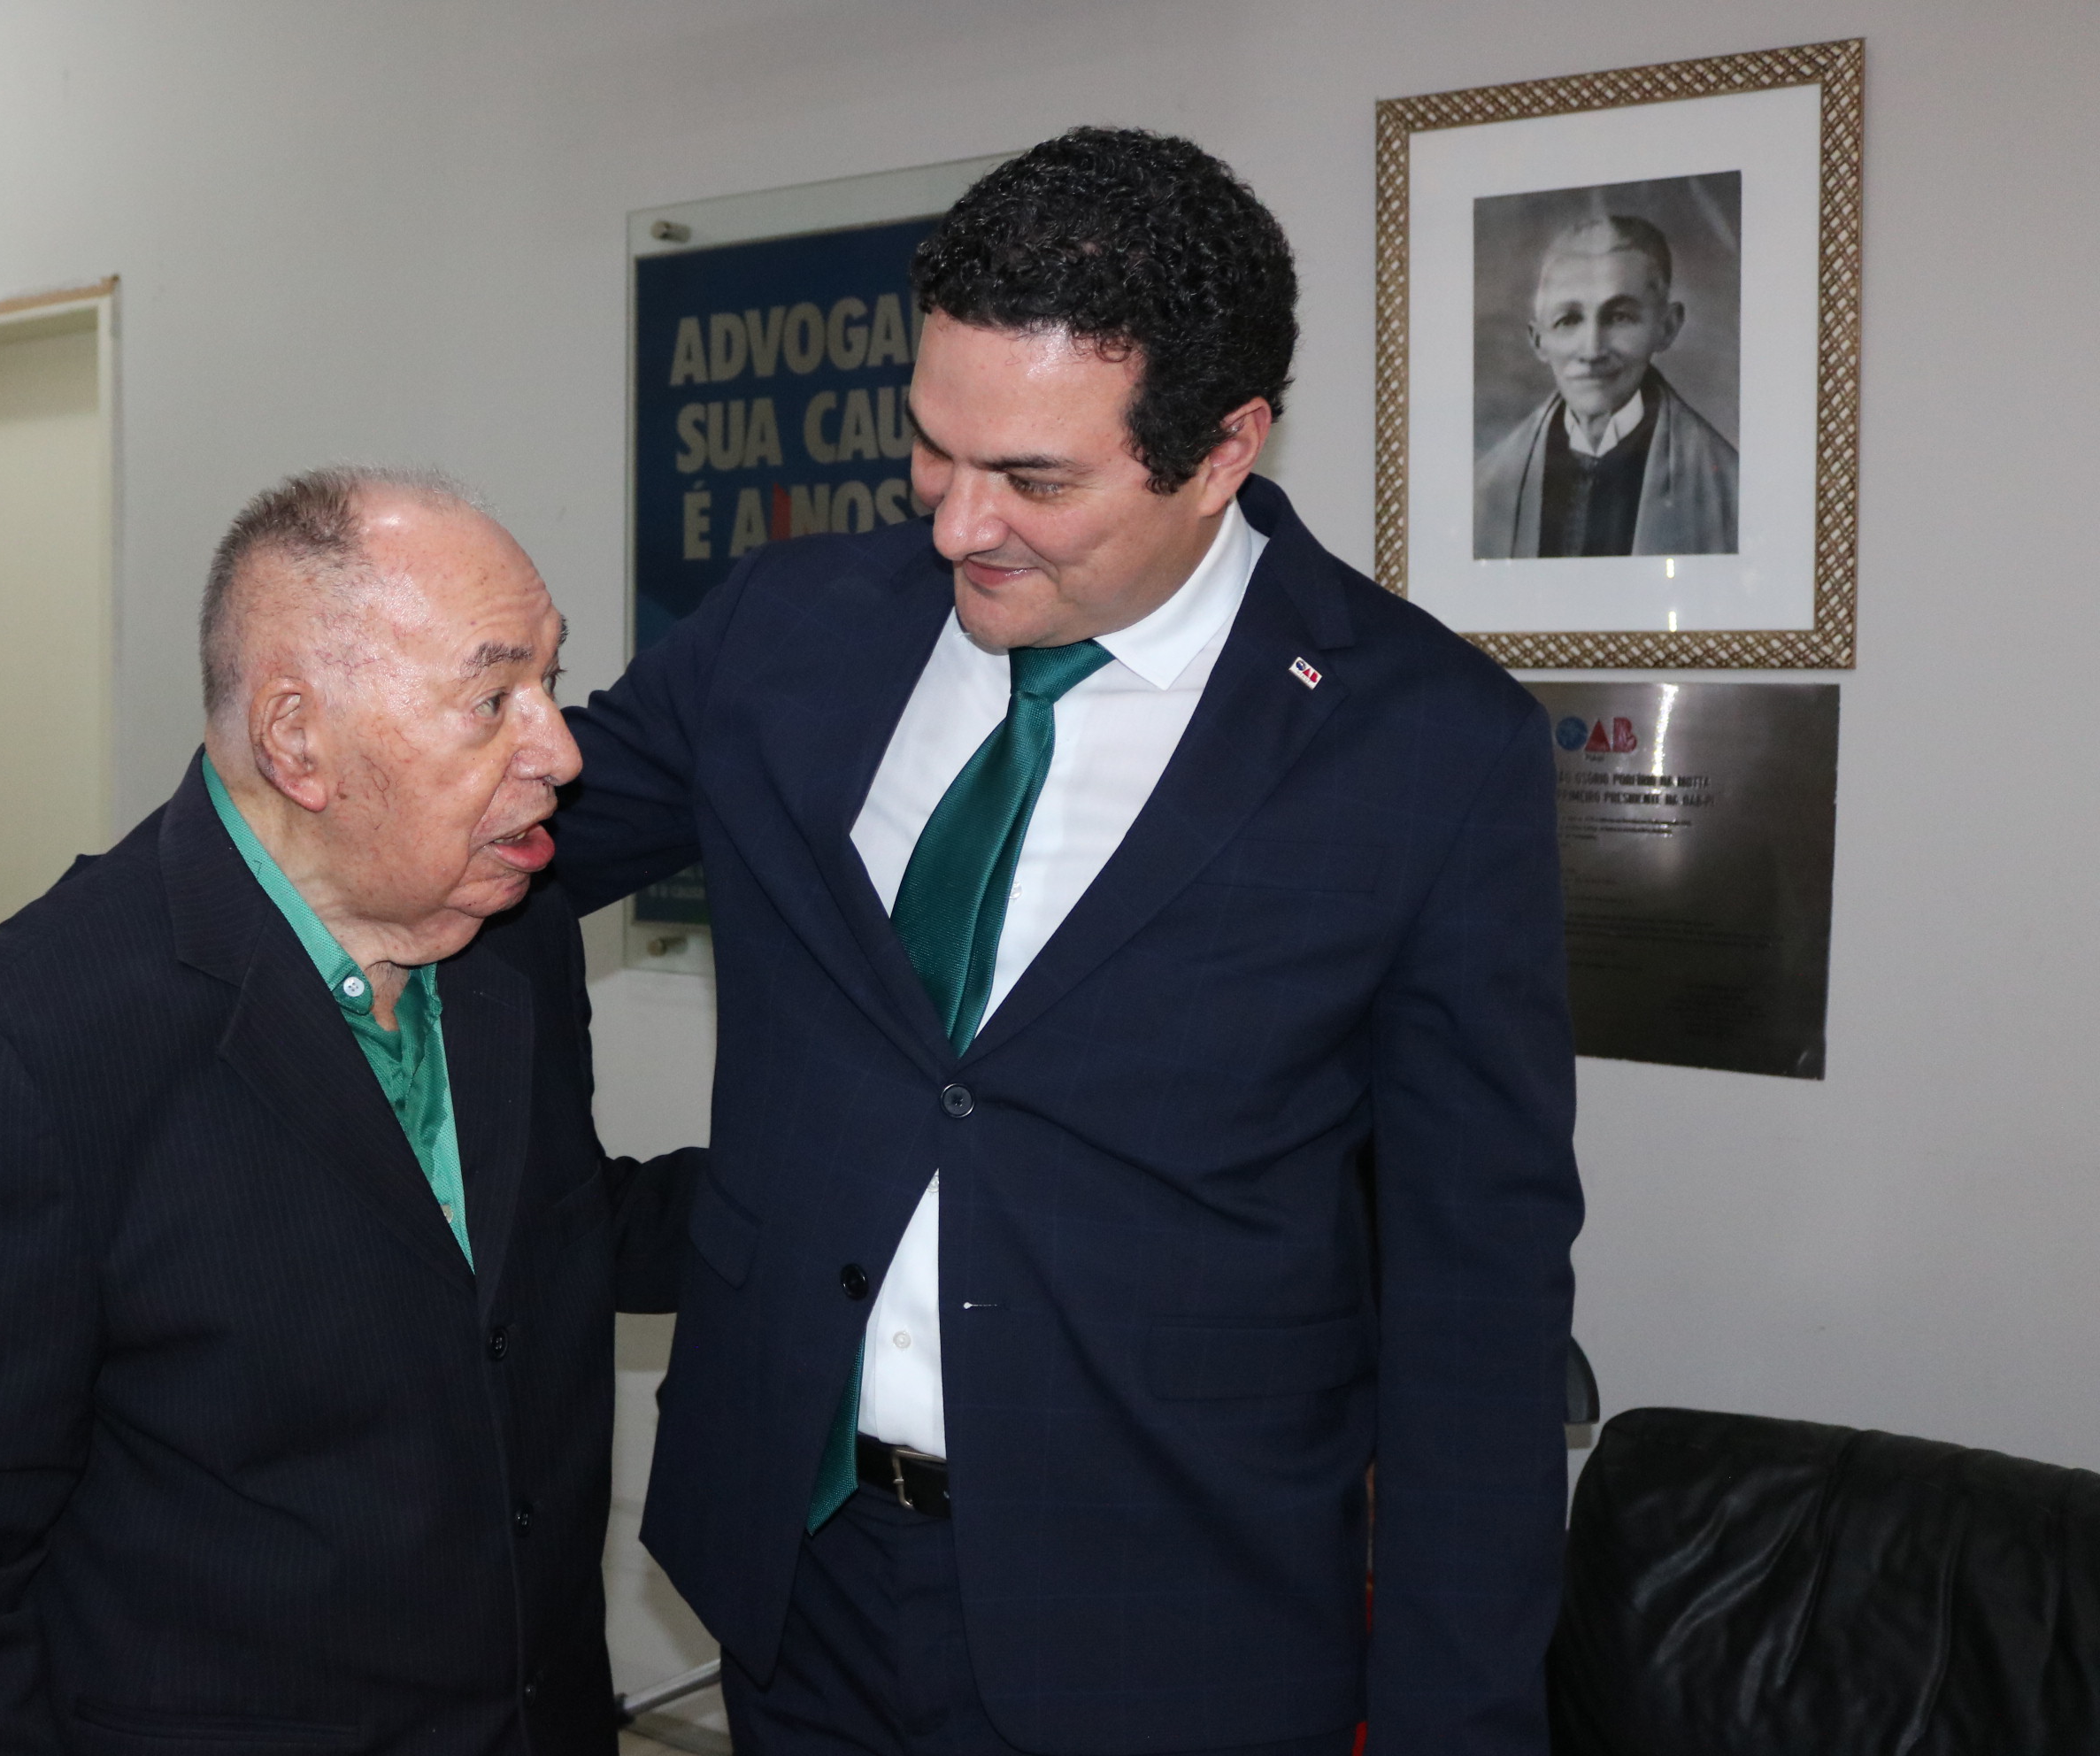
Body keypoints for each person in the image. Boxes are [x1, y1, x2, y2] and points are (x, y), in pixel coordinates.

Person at [558, 128, 1584, 1755]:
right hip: (801, 1576)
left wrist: (1456, 1719)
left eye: (1035, 481)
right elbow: (484, 853)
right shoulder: (788, 631)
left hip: (1168, 1629)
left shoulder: (1425, 746)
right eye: (932, 447)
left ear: (1223, 447)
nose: (959, 523)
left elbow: (1479, 1294)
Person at [0, 467, 702, 1754]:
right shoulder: (46, 1028)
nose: (560, 751)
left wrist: (855, 1190)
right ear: (298, 741)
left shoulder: (512, 943)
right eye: (492, 699)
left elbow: (520, 1240)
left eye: (551, 681)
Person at [1473, 213, 1739, 558]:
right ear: (1539, 340)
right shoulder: (1487, 487)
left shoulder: (1728, 485)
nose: (1592, 350)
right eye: (1568, 320)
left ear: (1667, 327)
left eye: (1619, 317)